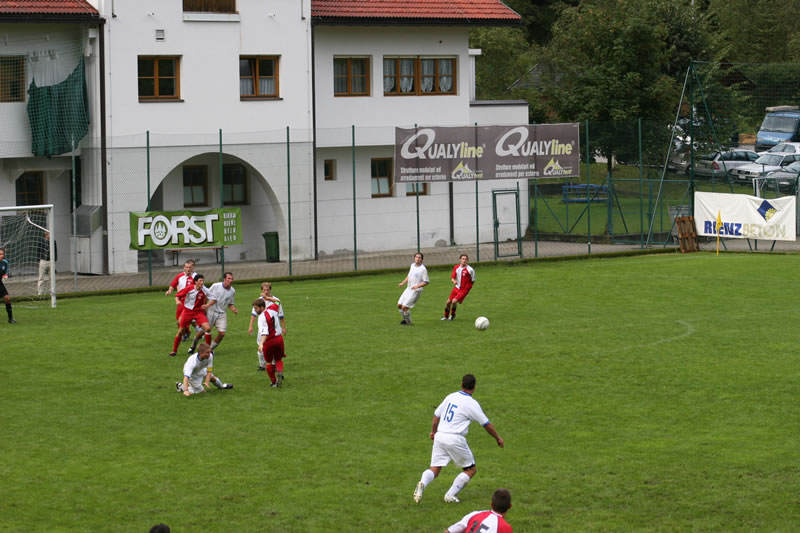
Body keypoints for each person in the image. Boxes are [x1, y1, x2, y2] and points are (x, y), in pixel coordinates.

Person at [413, 374, 504, 504]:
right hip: (454, 438)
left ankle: (422, 482)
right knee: (470, 470)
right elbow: (486, 424)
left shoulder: (450, 396)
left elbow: (436, 416)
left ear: (461, 384)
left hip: (440, 435)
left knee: (435, 468)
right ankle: (450, 495)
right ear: (474, 386)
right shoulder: (471, 404)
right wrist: (498, 438)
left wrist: (433, 432)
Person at [188, 272, 238, 354]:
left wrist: (233, 309)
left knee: (222, 333)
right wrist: (205, 307)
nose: (231, 280)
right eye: (229, 278)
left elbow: (230, 303)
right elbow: (206, 295)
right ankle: (192, 346)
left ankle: (210, 349)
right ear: (224, 279)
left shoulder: (232, 291)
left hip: (222, 314)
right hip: (211, 311)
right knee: (203, 332)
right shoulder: (216, 286)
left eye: (232, 279)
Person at [169, 274, 212, 357]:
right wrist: (177, 301)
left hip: (198, 312)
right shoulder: (189, 288)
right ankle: (174, 351)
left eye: (203, 281)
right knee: (181, 331)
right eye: (200, 281)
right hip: (187, 312)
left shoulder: (204, 290)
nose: (202, 282)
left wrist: (207, 305)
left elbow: (213, 298)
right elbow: (177, 295)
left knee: (208, 328)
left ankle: (208, 350)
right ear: (195, 282)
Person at [248, 281, 284, 371]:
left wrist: (284, 327)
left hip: (273, 328)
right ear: (262, 290)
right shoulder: (258, 301)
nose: (266, 292)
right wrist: (251, 326)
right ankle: (262, 365)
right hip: (263, 328)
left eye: (267, 290)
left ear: (270, 290)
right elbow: (253, 315)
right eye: (264, 290)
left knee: (267, 346)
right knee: (261, 347)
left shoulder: (274, 300)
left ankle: (272, 365)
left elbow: (281, 314)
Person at [443, 488, 513, 533]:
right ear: (510, 506)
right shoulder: (505, 528)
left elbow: (449, 531)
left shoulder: (475, 514)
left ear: (491, 504)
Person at [253, 298, 287, 387]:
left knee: (268, 362)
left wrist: (261, 343)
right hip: (279, 339)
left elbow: (264, 333)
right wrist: (268, 298)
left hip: (269, 341)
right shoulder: (272, 308)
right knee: (278, 359)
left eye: (256, 308)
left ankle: (274, 382)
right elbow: (278, 301)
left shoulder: (261, 318)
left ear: (262, 307)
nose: (255, 310)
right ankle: (279, 370)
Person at [165, 259, 197, 339]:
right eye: (186, 267)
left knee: (186, 320)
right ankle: (187, 332)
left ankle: (197, 331)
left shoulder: (196, 277)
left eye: (190, 267)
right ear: (184, 267)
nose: (188, 269)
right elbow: (173, 284)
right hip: (181, 301)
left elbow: (201, 287)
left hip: (191, 302)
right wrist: (169, 291)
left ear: (193, 268)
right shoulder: (180, 276)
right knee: (178, 321)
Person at [397, 252, 429, 325]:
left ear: (422, 259)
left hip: (416, 291)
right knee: (399, 305)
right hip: (408, 289)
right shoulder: (412, 265)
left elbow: (426, 282)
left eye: (419, 257)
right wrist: (402, 283)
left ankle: (408, 322)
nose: (417, 259)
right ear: (414, 258)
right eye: (416, 257)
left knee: (404, 307)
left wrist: (417, 286)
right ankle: (405, 320)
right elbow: (409, 276)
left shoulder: (423, 269)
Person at [442, 254, 475, 321]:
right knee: (448, 302)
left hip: (464, 289)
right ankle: (445, 316)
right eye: (463, 259)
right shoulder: (456, 267)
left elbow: (473, 280)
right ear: (460, 260)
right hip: (457, 288)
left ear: (467, 261)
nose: (464, 260)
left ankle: (452, 315)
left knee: (454, 301)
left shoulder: (470, 270)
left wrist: (467, 288)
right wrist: (454, 281)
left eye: (466, 259)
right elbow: (452, 277)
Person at [36, 230, 57, 296]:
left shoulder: (53, 241)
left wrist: (55, 259)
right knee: (41, 277)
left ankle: (52, 291)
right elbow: (38, 250)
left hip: (51, 261)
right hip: (43, 261)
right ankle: (40, 292)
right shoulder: (41, 241)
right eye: (50, 234)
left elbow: (55, 250)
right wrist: (39, 259)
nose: (51, 236)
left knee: (52, 277)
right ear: (46, 235)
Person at [0, 247, 14, 324]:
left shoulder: (5, 262)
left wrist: (5, 276)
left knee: (7, 298)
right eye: (0, 254)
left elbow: (5, 273)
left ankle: (10, 319)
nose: (2, 255)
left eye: (3, 254)